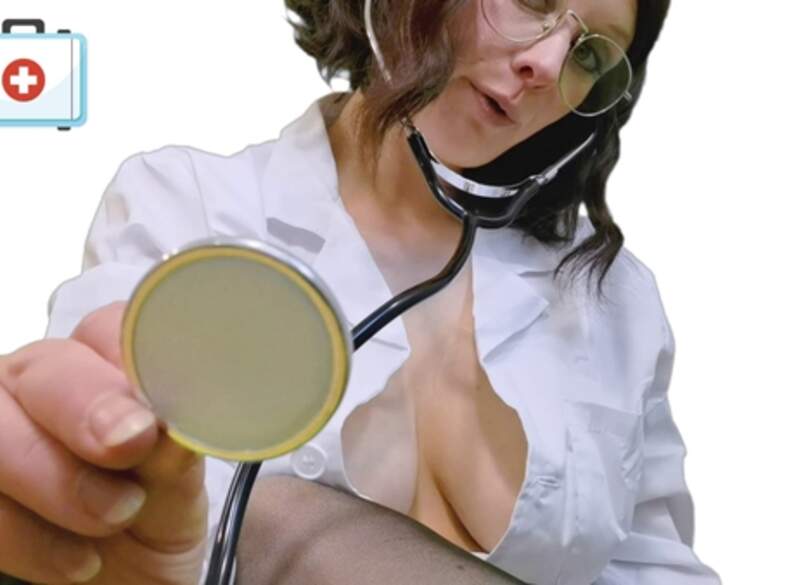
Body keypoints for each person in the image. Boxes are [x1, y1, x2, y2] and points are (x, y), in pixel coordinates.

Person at [0, 0, 722, 583]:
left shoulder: (612, 296)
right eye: (531, 1)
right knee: (271, 517)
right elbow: (118, 509)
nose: (548, 63)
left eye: (591, 54)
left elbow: (658, 571)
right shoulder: (187, 206)